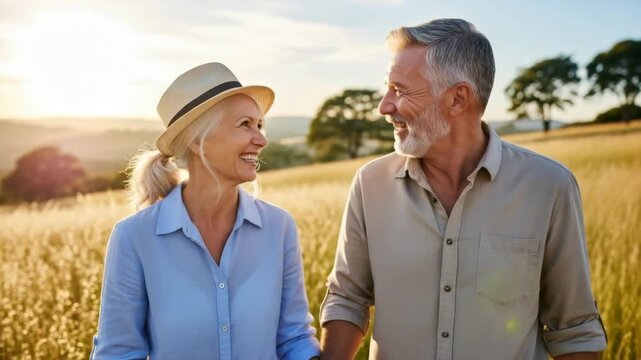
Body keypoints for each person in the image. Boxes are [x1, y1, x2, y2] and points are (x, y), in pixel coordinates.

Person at [319, 19, 607, 360]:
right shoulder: (370, 184)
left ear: (458, 99)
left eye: (400, 90)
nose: (384, 106)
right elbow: (347, 299)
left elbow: (574, 330)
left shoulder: (549, 187)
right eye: (387, 88)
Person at [91, 62, 320, 360]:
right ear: (198, 141)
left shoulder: (279, 227)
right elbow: (119, 353)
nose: (262, 140)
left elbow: (294, 339)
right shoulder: (134, 237)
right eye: (245, 125)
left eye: (260, 125)